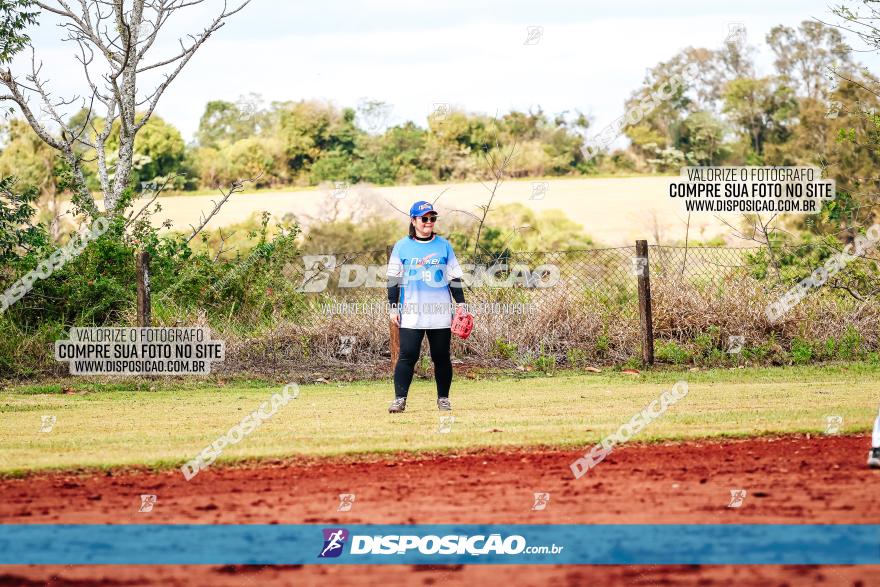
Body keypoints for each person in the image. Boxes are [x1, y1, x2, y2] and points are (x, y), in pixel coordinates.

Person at [386, 200, 467, 413]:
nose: (428, 222)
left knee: (441, 356)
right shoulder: (402, 246)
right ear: (413, 221)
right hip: (411, 311)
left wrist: (462, 305)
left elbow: (454, 278)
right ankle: (399, 400)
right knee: (408, 355)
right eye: (424, 218)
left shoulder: (443, 245)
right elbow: (393, 280)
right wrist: (393, 307)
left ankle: (443, 399)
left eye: (432, 218)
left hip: (440, 312)